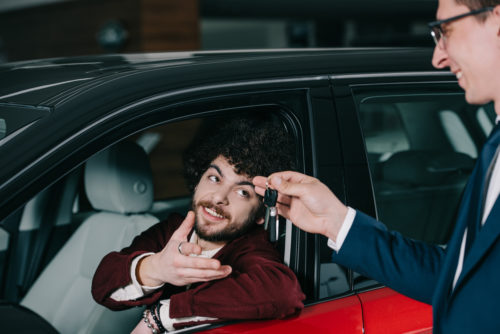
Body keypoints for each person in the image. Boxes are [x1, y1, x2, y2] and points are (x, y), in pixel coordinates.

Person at [253, 0, 500, 333]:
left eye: (446, 30)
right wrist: (335, 222)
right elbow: (454, 278)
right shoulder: (493, 148)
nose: (438, 57)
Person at [92, 118, 305, 333]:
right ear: (198, 180)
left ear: (260, 214)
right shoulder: (173, 229)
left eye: (243, 192)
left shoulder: (252, 247)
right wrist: (156, 268)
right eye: (214, 178)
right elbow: (103, 285)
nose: (219, 197)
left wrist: (162, 316)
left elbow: (284, 292)